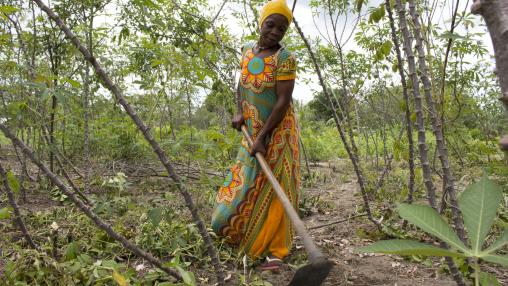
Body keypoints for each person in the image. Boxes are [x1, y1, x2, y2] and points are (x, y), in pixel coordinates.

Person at [211, 0, 300, 271]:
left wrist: (263, 136)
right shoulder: (247, 50)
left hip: (277, 134)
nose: (275, 32)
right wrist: (239, 112)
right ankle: (242, 232)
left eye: (281, 29)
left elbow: (282, 101)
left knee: (276, 188)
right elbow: (242, 82)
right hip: (251, 132)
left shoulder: (285, 59)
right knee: (244, 181)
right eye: (271, 25)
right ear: (261, 22)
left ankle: (276, 250)